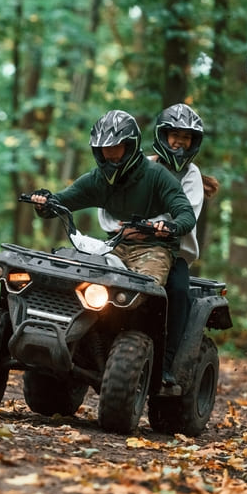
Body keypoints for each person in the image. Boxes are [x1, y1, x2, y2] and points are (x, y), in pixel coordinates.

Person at [30, 110, 196, 382]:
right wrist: (44, 202)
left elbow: (185, 213)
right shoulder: (97, 180)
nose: (110, 155)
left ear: (130, 146)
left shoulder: (156, 176)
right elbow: (62, 201)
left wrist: (172, 226)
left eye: (116, 148)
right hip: (115, 246)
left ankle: (158, 360)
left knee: (146, 294)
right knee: (82, 279)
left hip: (154, 249)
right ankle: (80, 340)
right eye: (104, 149)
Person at [98, 103, 218, 388]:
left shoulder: (191, 176)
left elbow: (184, 214)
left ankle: (167, 364)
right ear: (163, 136)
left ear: (193, 142)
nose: (179, 141)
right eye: (174, 134)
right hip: (125, 243)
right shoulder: (141, 165)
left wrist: (150, 226)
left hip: (171, 252)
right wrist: (117, 225)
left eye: (186, 137)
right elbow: (112, 198)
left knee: (177, 291)